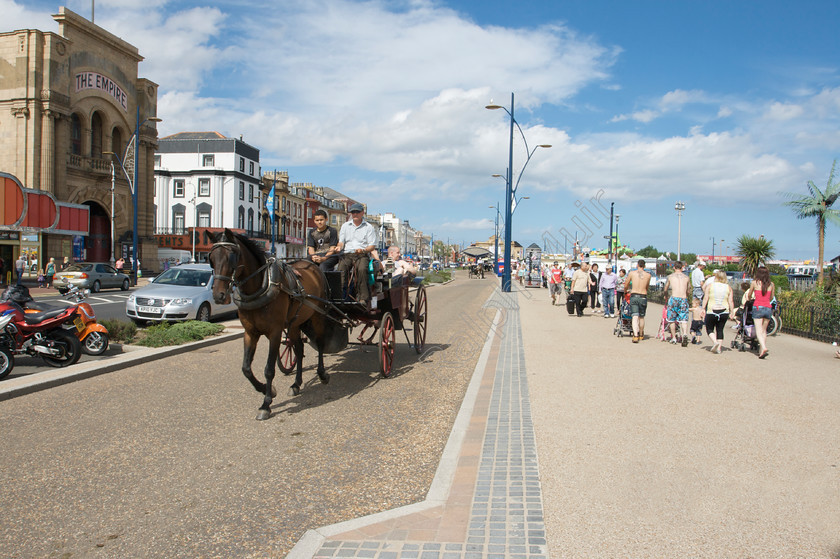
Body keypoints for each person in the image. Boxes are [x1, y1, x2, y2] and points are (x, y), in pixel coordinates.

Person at [336, 203, 378, 306]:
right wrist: (339, 247)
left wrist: (363, 250)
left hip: (361, 255)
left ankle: (363, 298)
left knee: (362, 270)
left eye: (357, 212)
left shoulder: (368, 227)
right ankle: (340, 296)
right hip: (347, 254)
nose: (355, 214)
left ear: (362, 213)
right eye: (353, 212)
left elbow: (372, 246)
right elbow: (341, 242)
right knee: (340, 270)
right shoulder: (345, 226)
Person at [744, 265, 775, 359]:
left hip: (758, 307)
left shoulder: (755, 283)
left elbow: (749, 294)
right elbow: (771, 297)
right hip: (767, 307)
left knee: (758, 330)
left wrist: (749, 299)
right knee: (764, 330)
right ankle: (761, 350)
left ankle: (764, 347)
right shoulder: (771, 284)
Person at [703, 270, 734, 354]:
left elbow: (706, 298)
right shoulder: (728, 287)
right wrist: (732, 311)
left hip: (712, 310)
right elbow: (730, 301)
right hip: (724, 310)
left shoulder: (710, 286)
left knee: (709, 328)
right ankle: (719, 348)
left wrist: (703, 308)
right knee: (720, 329)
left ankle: (715, 342)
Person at [663, 261, 691, 346]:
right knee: (683, 319)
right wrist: (686, 296)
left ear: (674, 267)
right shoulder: (686, 277)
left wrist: (666, 296)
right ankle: (685, 334)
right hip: (683, 298)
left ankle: (674, 337)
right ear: (682, 267)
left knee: (672, 319)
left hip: (674, 297)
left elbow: (666, 288)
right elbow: (689, 289)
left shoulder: (670, 276)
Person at [626, 259, 652, 343]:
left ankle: (635, 335)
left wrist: (625, 291)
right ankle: (641, 334)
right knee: (641, 317)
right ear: (644, 266)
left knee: (634, 316)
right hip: (643, 295)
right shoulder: (648, 275)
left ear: (637, 265)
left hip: (634, 295)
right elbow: (647, 287)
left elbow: (626, 284)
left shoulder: (632, 273)